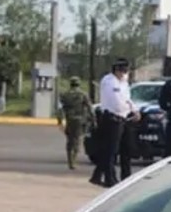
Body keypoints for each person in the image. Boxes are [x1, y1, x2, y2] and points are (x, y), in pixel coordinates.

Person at [89, 60, 137, 188]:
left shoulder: (123, 82)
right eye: (122, 70)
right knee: (111, 151)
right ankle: (110, 179)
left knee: (124, 149)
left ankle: (99, 175)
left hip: (123, 118)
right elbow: (116, 102)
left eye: (126, 70)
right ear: (116, 70)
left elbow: (127, 98)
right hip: (112, 118)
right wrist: (126, 109)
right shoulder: (110, 81)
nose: (124, 73)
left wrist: (134, 110)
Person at [57, 76, 93, 170]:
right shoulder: (83, 94)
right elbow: (90, 108)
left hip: (69, 120)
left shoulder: (65, 95)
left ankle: (70, 160)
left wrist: (60, 121)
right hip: (80, 120)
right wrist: (93, 120)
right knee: (77, 141)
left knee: (69, 141)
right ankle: (73, 161)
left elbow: (60, 109)